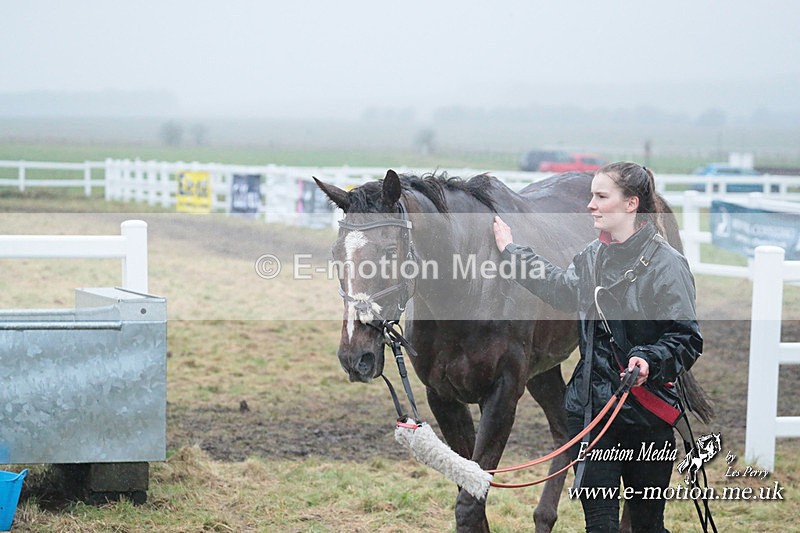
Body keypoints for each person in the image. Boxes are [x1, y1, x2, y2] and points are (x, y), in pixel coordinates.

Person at [493, 162, 703, 532]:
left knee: (645, 525)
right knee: (600, 525)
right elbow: (561, 288)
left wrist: (650, 360)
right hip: (590, 413)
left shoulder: (668, 265)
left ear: (630, 204)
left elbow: (686, 338)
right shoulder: (592, 255)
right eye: (591, 195)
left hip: (647, 419)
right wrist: (512, 251)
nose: (590, 205)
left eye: (601, 196)